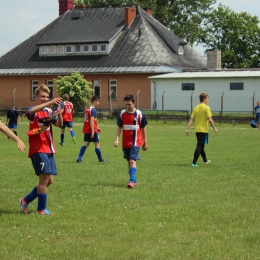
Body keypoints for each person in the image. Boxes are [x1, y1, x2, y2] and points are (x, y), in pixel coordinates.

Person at [19, 84, 63, 215]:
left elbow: (60, 125)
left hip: (49, 149)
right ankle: (41, 209)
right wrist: (50, 102)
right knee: (43, 179)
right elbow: (30, 113)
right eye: (42, 97)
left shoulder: (49, 112)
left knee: (49, 180)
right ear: (36, 97)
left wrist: (59, 113)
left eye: (47, 97)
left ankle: (25, 200)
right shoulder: (34, 109)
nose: (45, 99)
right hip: (38, 149)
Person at [114, 94, 148, 188]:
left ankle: (131, 181)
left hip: (136, 141)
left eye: (129, 104)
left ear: (134, 103)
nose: (127, 106)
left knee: (133, 160)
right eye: (126, 105)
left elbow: (143, 128)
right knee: (129, 162)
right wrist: (117, 139)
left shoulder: (139, 114)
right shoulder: (122, 114)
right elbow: (119, 127)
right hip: (125, 142)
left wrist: (145, 142)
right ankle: (134, 180)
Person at [185, 92, 218, 167]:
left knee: (201, 145)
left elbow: (191, 119)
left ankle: (205, 161)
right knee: (199, 145)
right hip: (203, 130)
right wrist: (214, 128)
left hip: (197, 130)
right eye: (207, 98)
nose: (208, 100)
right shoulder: (207, 107)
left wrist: (187, 129)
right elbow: (210, 119)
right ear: (204, 99)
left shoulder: (196, 108)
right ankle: (194, 163)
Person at [76, 95, 108, 163]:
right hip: (92, 130)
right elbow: (91, 120)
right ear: (94, 101)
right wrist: (93, 131)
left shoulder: (87, 109)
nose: (98, 103)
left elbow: (86, 121)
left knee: (86, 144)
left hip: (87, 130)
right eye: (98, 102)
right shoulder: (93, 110)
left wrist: (97, 127)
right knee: (97, 144)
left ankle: (79, 158)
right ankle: (101, 159)